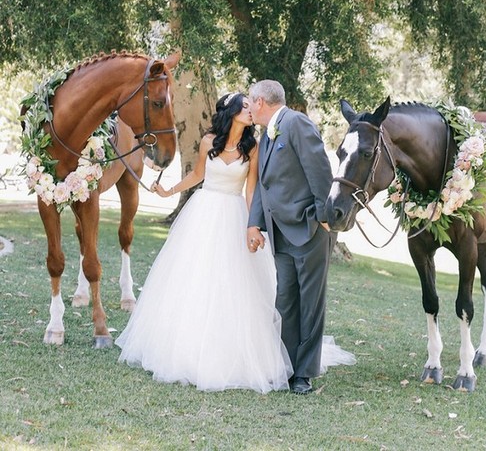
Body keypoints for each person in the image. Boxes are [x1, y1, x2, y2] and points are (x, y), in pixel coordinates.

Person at [115, 92, 293, 392]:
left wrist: (254, 225)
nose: (251, 111)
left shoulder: (253, 147)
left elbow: (251, 192)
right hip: (203, 213)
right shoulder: (209, 141)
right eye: (246, 106)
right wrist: (169, 191)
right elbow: (197, 174)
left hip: (234, 213)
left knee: (233, 284)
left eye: (252, 107)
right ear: (232, 111)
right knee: (195, 278)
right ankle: (185, 347)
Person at [247, 80, 349, 395]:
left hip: (309, 230)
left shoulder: (297, 123)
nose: (248, 108)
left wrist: (322, 218)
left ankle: (303, 374)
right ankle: (286, 367)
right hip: (280, 234)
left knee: (310, 304)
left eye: (250, 103)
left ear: (260, 101)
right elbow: (264, 185)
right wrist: (255, 224)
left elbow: (320, 172)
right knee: (286, 302)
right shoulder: (265, 137)